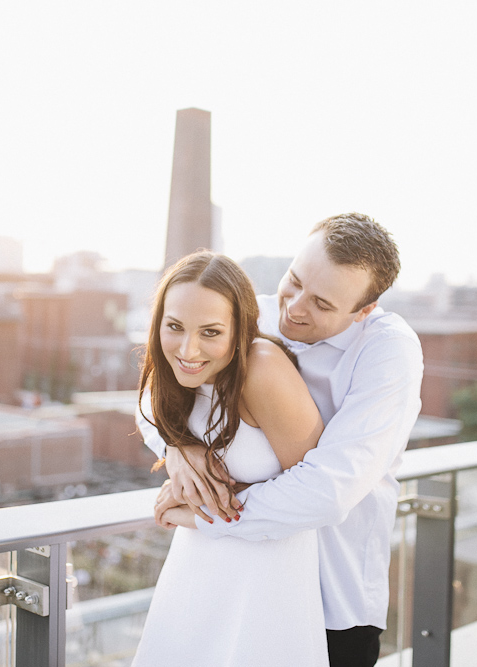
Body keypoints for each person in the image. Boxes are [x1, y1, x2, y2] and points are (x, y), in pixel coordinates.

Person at [144, 213, 423, 667]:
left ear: (363, 310)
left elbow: (326, 493)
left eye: (322, 304)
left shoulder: (389, 352)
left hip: (333, 591)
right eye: (293, 281)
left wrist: (205, 515)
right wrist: (179, 449)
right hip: (231, 578)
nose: (293, 308)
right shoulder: (253, 313)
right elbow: (161, 382)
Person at [132, 251, 329, 667]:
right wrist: (178, 448)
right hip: (194, 573)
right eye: (174, 327)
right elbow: (147, 407)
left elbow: (315, 496)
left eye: (210, 332)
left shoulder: (261, 370)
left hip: (264, 582)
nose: (188, 348)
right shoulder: (174, 370)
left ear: (240, 330)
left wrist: (197, 513)